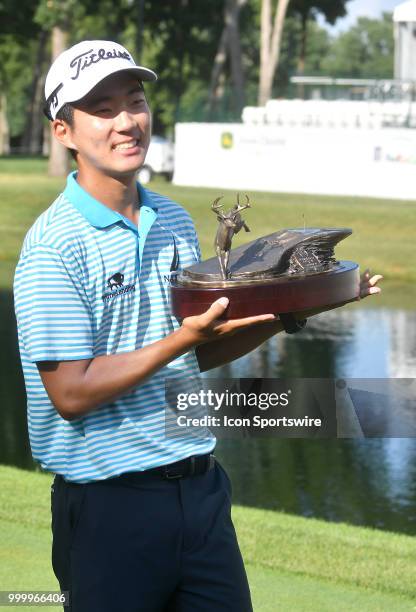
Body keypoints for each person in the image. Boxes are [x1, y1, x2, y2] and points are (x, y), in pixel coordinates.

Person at [13, 40, 382, 612]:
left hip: (200, 492)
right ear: (64, 131)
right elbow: (71, 391)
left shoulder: (174, 221)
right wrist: (185, 338)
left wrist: (290, 311)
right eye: (103, 109)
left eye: (134, 101)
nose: (127, 121)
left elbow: (193, 355)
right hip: (109, 511)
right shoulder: (53, 246)